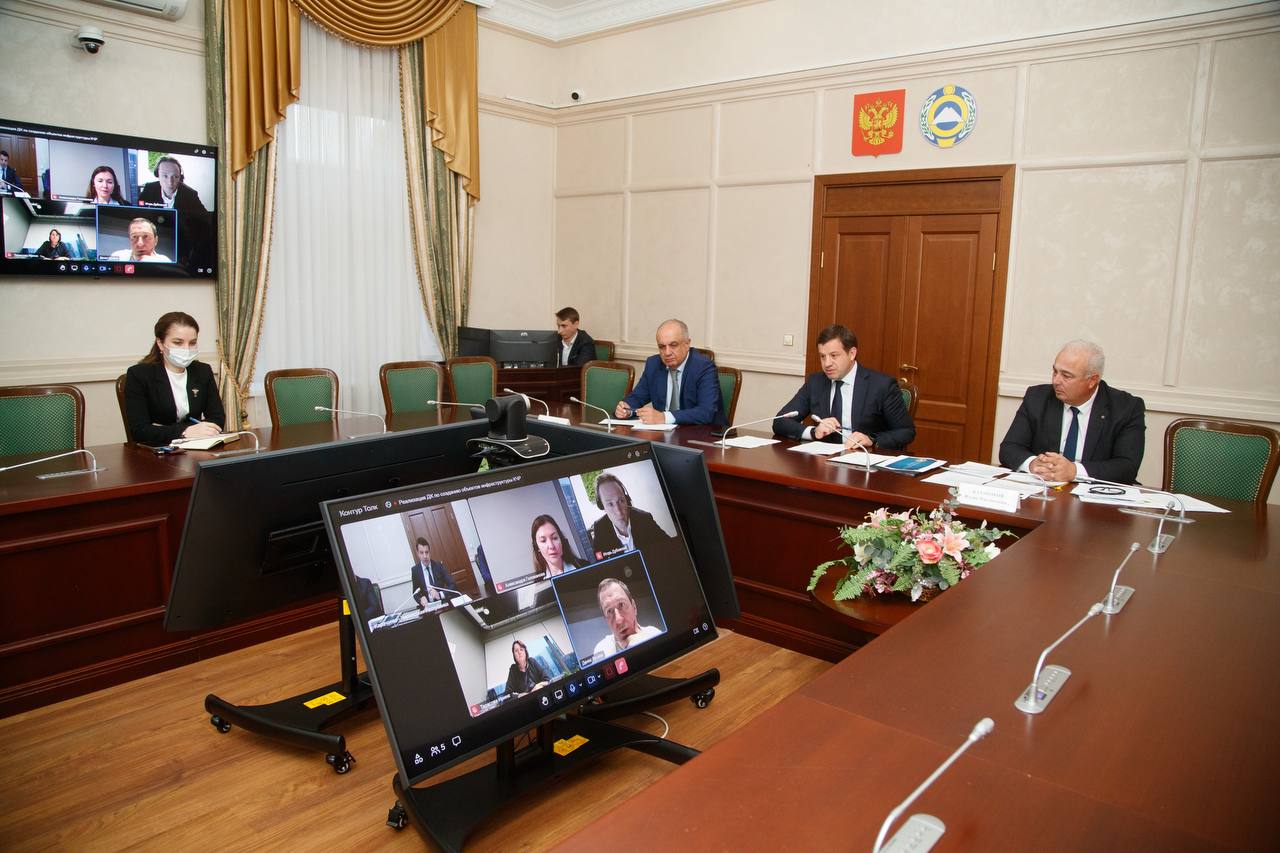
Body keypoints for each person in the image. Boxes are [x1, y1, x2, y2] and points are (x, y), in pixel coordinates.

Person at [999, 340, 1145, 484]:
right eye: (1055, 372)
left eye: (1066, 376)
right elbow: (1009, 448)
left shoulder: (1126, 408)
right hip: (1044, 486)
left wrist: (1074, 471)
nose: (1056, 381)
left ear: (1092, 380)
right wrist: (1032, 464)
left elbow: (1127, 466)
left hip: (1093, 491)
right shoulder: (1037, 397)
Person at [772, 324, 915, 451]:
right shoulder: (816, 382)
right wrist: (813, 432)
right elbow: (780, 421)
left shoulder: (881, 385)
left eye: (834, 355)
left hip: (864, 460)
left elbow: (906, 431)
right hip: (823, 462)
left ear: (852, 353)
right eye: (822, 356)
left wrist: (871, 439)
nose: (827, 363)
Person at [123, 311, 226, 447]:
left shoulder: (203, 371)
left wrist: (163, 429)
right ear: (160, 343)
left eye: (192, 343)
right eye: (178, 342)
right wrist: (185, 431)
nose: (186, 349)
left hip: (198, 447)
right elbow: (140, 431)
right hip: (158, 452)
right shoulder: (139, 374)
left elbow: (217, 418)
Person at [616, 319, 725, 426]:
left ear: (687, 344)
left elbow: (706, 412)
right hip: (663, 433)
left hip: (701, 433)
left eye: (673, 345)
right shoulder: (654, 364)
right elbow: (637, 397)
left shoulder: (704, 367)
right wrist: (626, 409)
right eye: (662, 347)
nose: (667, 353)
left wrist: (664, 417)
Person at [589, 472, 674, 559]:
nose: (618, 511)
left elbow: (670, 546)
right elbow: (598, 560)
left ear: (627, 499)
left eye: (621, 500)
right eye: (610, 504)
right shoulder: (600, 528)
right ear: (602, 506)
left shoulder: (644, 519)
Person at [591, 578, 662, 659]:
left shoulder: (654, 633)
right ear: (606, 620)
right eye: (609, 611)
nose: (618, 620)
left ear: (634, 606)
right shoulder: (601, 650)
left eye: (621, 604)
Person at [138, 156, 208, 213]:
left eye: (175, 176)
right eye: (165, 176)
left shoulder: (190, 194)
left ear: (180, 177)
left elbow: (204, 218)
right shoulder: (149, 189)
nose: (170, 182)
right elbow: (137, 211)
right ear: (157, 175)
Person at [409, 537, 459, 607]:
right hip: (428, 607)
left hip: (443, 604)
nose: (425, 556)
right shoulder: (415, 570)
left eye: (427, 552)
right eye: (421, 553)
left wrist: (440, 594)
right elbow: (415, 593)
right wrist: (420, 599)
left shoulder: (438, 565)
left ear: (430, 552)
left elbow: (453, 585)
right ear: (418, 554)